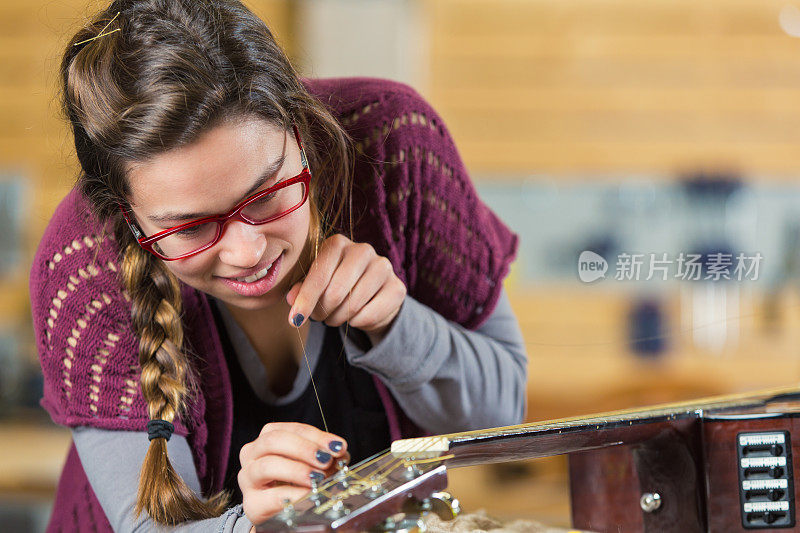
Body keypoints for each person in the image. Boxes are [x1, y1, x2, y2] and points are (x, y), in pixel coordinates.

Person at [30, 0, 526, 531]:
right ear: (129, 220)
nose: (248, 254)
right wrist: (253, 526)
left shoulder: (393, 149)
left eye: (267, 194)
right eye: (191, 228)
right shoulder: (83, 263)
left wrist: (396, 325)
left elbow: (502, 416)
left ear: (300, 127)